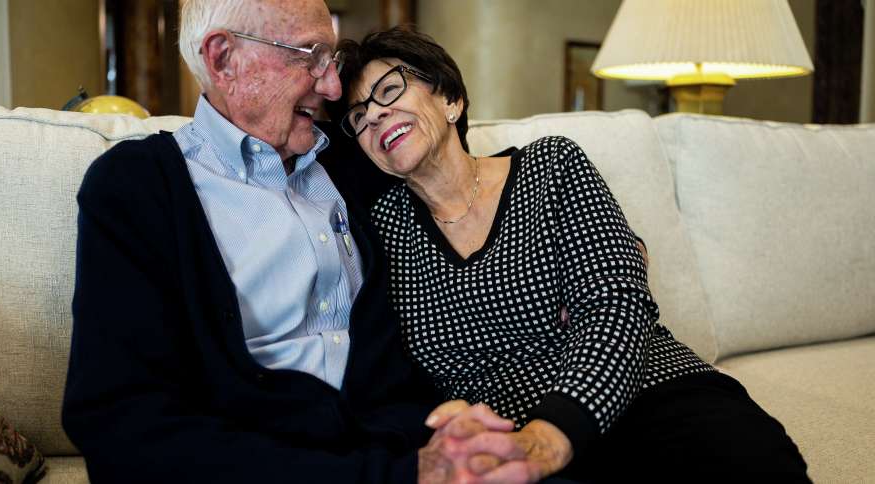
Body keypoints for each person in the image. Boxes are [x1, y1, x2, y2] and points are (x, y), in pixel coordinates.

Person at [62, 1, 550, 483]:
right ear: (223, 58)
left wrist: (607, 256)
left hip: (405, 444)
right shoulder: (137, 186)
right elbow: (121, 427)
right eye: (310, 56)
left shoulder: (354, 157)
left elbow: (460, 194)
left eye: (331, 60)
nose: (334, 86)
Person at [327, 27, 811, 483]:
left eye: (390, 91)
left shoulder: (550, 167)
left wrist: (552, 434)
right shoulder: (384, 231)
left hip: (648, 394)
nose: (374, 115)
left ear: (450, 97)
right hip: (511, 437)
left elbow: (617, 308)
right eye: (358, 117)